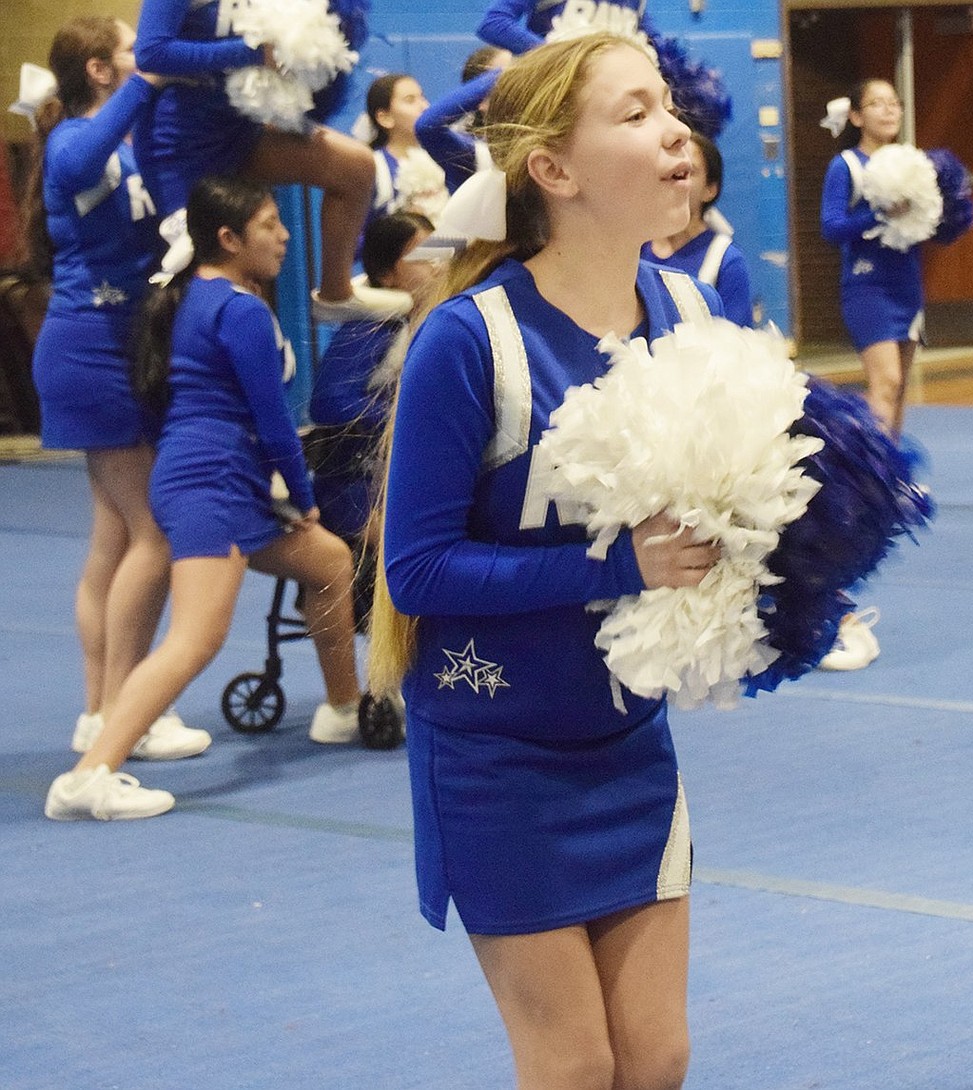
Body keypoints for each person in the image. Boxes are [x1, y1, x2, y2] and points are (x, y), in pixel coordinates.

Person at [371, 33, 722, 1089]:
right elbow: (415, 575)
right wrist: (618, 569)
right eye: (633, 113)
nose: (673, 132)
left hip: (627, 741)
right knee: (572, 1065)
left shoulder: (694, 315)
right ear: (552, 172)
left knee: (655, 1058)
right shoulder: (470, 339)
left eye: (669, 106)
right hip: (496, 753)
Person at [45, 176, 366, 822]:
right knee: (196, 639)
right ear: (228, 237)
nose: (283, 236)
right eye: (271, 224)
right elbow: (274, 421)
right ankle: (89, 774)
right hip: (214, 485)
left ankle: (343, 708)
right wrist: (302, 497)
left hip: (219, 482)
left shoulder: (197, 297)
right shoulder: (240, 309)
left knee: (328, 561)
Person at [25, 15, 211, 762]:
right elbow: (84, 161)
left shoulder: (132, 139)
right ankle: (122, 708)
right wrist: (151, 80)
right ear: (102, 70)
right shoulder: (74, 138)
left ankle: (102, 709)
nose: (148, 56)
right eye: (133, 50)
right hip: (88, 348)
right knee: (154, 533)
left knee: (114, 537)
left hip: (124, 345)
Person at [130, 0, 409, 324]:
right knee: (200, 268)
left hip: (241, 130)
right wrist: (254, 53)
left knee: (355, 166)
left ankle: (336, 294)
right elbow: (150, 52)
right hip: (179, 145)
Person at [818, 78, 916, 671]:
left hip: (908, 284)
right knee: (885, 385)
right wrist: (878, 212)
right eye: (876, 103)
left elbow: (929, 222)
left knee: (901, 392)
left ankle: (891, 480)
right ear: (857, 115)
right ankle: (867, 479)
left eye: (894, 103)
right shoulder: (846, 166)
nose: (888, 111)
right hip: (867, 285)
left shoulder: (912, 161)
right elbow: (831, 226)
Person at [309, 210, 440, 623]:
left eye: (442, 251)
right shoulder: (371, 328)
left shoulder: (435, 320)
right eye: (423, 256)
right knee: (421, 553)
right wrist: (404, 418)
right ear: (387, 273)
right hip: (354, 484)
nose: (438, 264)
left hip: (401, 477)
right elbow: (329, 402)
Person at [643, 129, 753, 327]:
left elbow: (736, 350)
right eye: (667, 169)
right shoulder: (635, 248)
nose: (674, 178)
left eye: (686, 172)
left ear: (710, 190)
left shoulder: (726, 261)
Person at [414, 46, 512, 194]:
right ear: (482, 101)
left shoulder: (540, 140)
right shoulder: (471, 153)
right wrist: (505, 72)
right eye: (508, 82)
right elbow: (427, 126)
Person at [362, 73, 448, 225]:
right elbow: (357, 239)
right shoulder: (374, 168)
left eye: (422, 97)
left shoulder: (444, 156)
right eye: (410, 100)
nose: (425, 106)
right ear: (385, 118)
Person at [477, 0, 658, 55]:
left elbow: (658, 45)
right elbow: (493, 23)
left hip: (612, 92)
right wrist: (555, 56)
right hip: (554, 90)